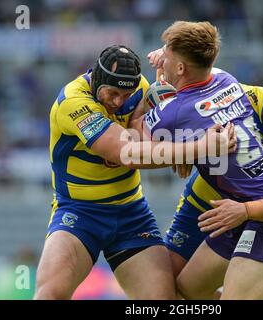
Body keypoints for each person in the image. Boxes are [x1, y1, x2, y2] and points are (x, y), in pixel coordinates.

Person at [34, 44, 236, 300]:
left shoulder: (139, 88)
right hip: (80, 213)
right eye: (112, 93)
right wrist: (197, 149)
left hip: (131, 213)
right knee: (50, 295)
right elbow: (127, 153)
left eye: (125, 95)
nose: (118, 102)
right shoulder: (74, 103)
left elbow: (153, 125)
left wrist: (171, 59)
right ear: (96, 79)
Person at [144, 22, 263, 299]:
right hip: (204, 204)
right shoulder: (242, 94)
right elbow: (197, 73)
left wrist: (246, 211)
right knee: (179, 288)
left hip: (261, 213)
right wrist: (170, 54)